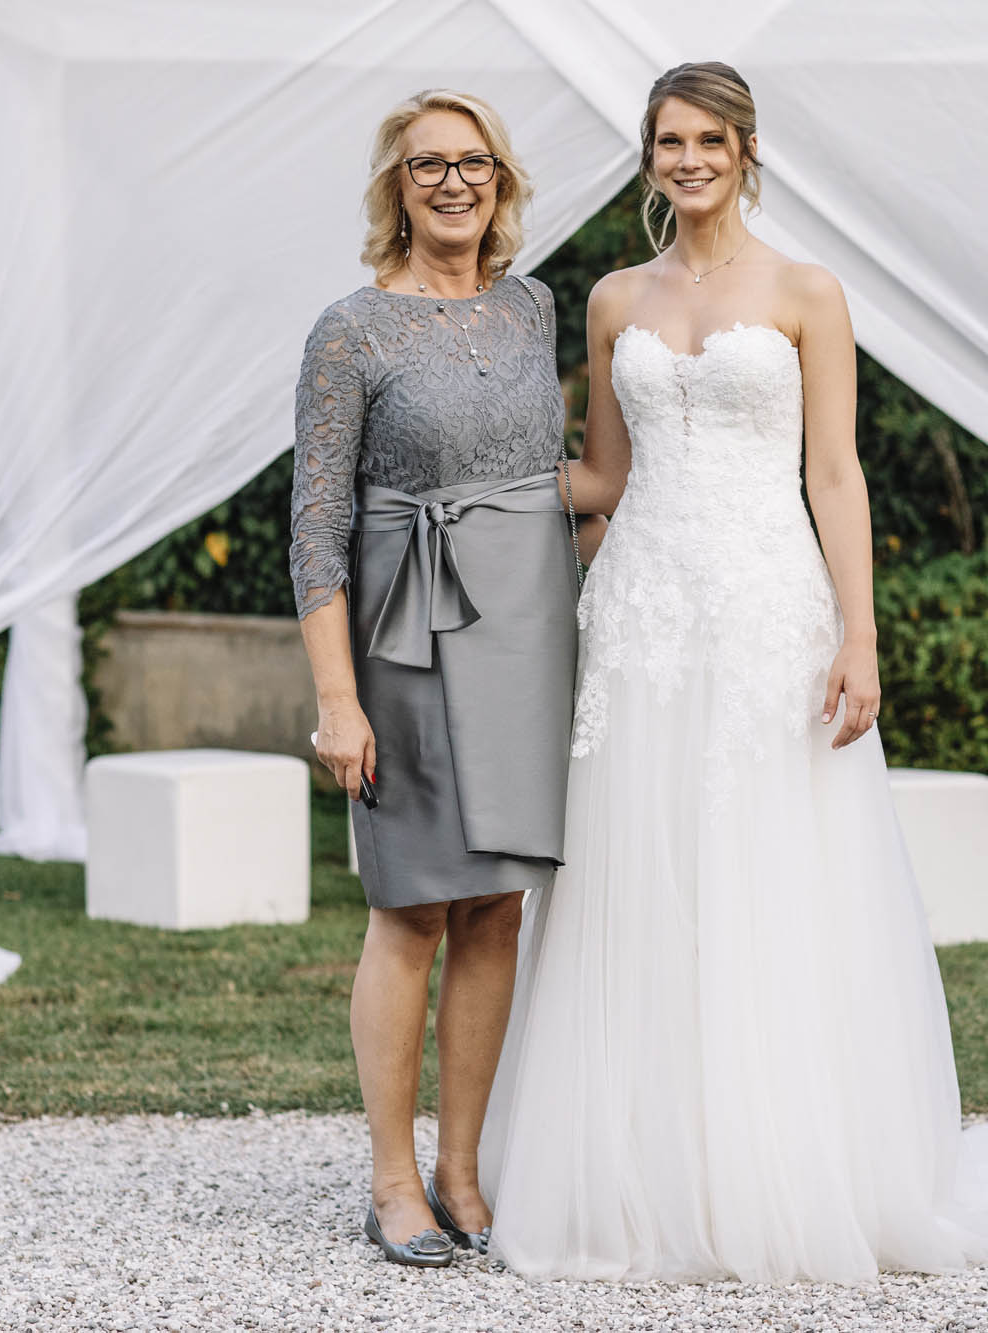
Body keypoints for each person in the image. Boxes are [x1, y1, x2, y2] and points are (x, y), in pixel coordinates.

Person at [478, 62, 988, 1282]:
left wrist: (859, 633)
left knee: (765, 874)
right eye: (666, 142)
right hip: (639, 614)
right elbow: (601, 478)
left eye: (707, 140)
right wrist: (468, 501)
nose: (686, 160)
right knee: (634, 879)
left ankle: (781, 1176)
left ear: (746, 151)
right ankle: (637, 1180)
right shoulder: (609, 297)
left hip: (763, 611)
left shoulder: (806, 290)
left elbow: (833, 474)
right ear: (648, 159)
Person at [291, 89, 578, 1268]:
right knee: (410, 907)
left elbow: (550, 474)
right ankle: (392, 1179)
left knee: (497, 906)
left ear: (501, 181)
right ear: (395, 188)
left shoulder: (533, 308)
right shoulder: (349, 329)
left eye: (472, 164)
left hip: (525, 631)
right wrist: (336, 699)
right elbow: (315, 522)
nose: (451, 183)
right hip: (404, 639)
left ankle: (462, 1169)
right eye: (425, 168)